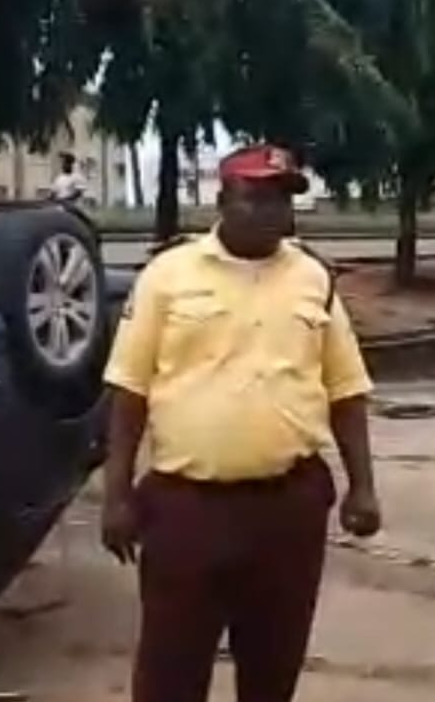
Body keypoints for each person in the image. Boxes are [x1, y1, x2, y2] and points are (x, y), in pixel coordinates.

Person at [101, 143, 381, 702]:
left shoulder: (313, 279)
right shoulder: (168, 275)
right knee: (169, 675)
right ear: (223, 200)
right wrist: (116, 495)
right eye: (257, 198)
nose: (273, 212)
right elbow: (128, 391)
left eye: (282, 200)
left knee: (273, 672)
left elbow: (346, 390)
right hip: (187, 510)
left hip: (288, 509)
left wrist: (363, 487)